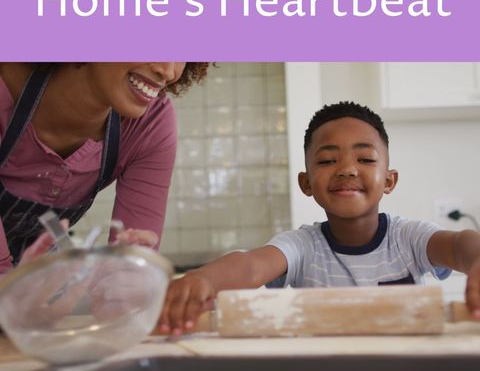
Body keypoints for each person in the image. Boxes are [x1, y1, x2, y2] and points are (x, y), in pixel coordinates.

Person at [158, 101, 480, 335]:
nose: (347, 169)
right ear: (307, 183)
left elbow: (459, 245)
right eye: (327, 160)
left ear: (389, 180)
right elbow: (251, 265)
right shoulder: (303, 247)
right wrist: (204, 280)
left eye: (365, 158)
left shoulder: (409, 238)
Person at [0, 62, 209, 274]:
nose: (168, 70)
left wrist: (123, 290)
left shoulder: (150, 124)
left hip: (34, 278)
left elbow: (132, 268)